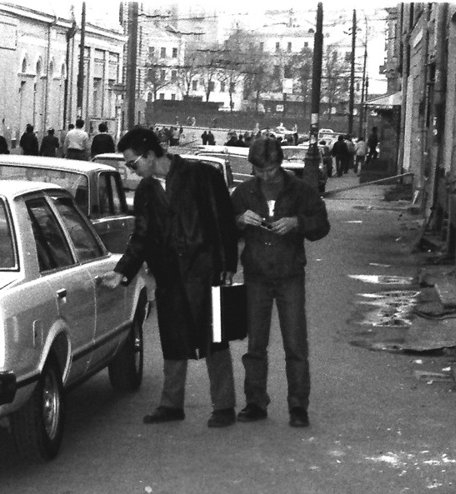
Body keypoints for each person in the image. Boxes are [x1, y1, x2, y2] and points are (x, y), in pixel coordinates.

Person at [100, 127, 240, 428]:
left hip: (206, 272)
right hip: (170, 277)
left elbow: (223, 221)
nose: (130, 169)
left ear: (150, 155)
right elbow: (141, 236)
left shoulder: (202, 176)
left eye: (132, 162)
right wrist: (121, 271)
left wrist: (228, 264)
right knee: (173, 340)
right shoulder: (147, 191)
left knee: (215, 339)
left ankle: (224, 406)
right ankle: (171, 404)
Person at [230, 138, 329, 428]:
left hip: (290, 275)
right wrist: (239, 219)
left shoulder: (300, 190)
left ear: (280, 164)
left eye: (270, 170)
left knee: (295, 344)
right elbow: (224, 226)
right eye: (259, 171)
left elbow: (322, 225)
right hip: (256, 274)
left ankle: (298, 406)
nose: (265, 176)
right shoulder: (244, 192)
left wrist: (298, 223)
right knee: (255, 345)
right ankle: (255, 402)